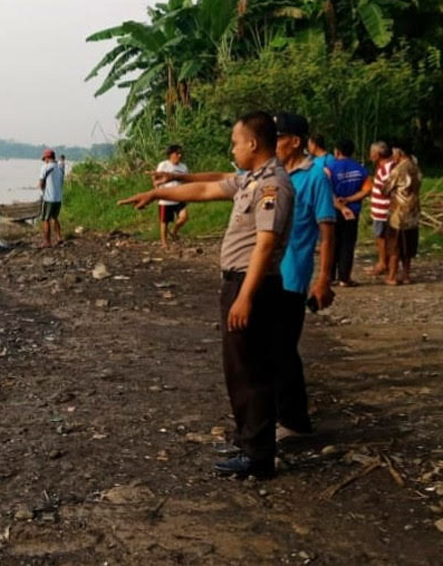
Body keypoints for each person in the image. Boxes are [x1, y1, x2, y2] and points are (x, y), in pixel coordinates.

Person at [119, 111, 294, 478]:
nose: (233, 148)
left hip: (253, 286)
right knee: (237, 367)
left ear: (252, 143)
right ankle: (246, 440)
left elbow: (265, 245)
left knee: (251, 370)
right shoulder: (252, 180)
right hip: (239, 282)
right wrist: (157, 192)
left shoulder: (272, 186)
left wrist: (245, 297)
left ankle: (258, 456)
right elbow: (205, 189)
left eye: (235, 141)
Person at [271, 113, 336, 440]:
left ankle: (294, 421)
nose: (272, 145)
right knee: (268, 347)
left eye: (277, 138)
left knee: (283, 349)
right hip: (266, 273)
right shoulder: (274, 172)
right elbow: (227, 178)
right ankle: (276, 414)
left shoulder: (315, 177)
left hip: (293, 275)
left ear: (294, 140)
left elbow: (327, 230)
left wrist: (323, 279)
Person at [328, 139, 370, 286]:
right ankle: (344, 278)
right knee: (348, 244)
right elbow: (367, 190)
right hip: (352, 211)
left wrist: (339, 203)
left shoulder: (330, 167)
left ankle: (330, 276)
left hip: (333, 210)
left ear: (337, 151)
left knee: (332, 243)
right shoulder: (360, 169)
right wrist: (349, 199)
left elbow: (326, 188)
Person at [383, 141, 422, 286]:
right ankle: (406, 275)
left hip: (398, 213)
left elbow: (385, 189)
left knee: (395, 246)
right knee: (409, 245)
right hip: (413, 211)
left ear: (399, 152)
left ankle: (392, 276)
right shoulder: (415, 167)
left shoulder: (398, 170)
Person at [153, 144, 190, 247]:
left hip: (179, 197)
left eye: (180, 153)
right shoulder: (163, 165)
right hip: (166, 198)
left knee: (184, 217)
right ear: (171, 154)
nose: (179, 155)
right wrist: (157, 191)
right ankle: (164, 243)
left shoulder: (183, 167)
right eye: (177, 153)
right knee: (164, 221)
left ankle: (174, 232)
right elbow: (156, 178)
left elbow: (187, 180)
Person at [367, 141, 395, 276]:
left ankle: (383, 262)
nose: (370, 156)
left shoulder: (386, 169)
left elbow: (388, 188)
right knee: (383, 236)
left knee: (381, 237)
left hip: (383, 210)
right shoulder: (388, 166)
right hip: (383, 209)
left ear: (378, 154)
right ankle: (385, 262)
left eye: (372, 153)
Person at [38, 148, 64, 248]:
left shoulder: (45, 167)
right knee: (55, 218)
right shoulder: (60, 167)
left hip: (49, 198)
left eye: (45, 159)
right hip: (58, 198)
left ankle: (47, 242)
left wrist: (42, 188)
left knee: (45, 219)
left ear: (48, 158)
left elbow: (41, 184)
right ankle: (59, 237)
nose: (44, 161)